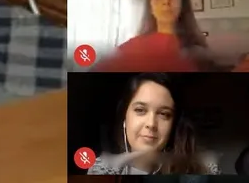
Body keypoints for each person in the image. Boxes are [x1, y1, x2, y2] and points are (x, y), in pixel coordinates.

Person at [87, 73, 220, 175]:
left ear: (174, 124)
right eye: (140, 110)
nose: (151, 124)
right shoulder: (103, 168)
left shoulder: (205, 168)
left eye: (163, 114)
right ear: (125, 118)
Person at [93, 0, 209, 72]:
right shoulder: (133, 47)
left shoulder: (199, 52)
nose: (166, 2)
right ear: (150, 7)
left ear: (183, 4)